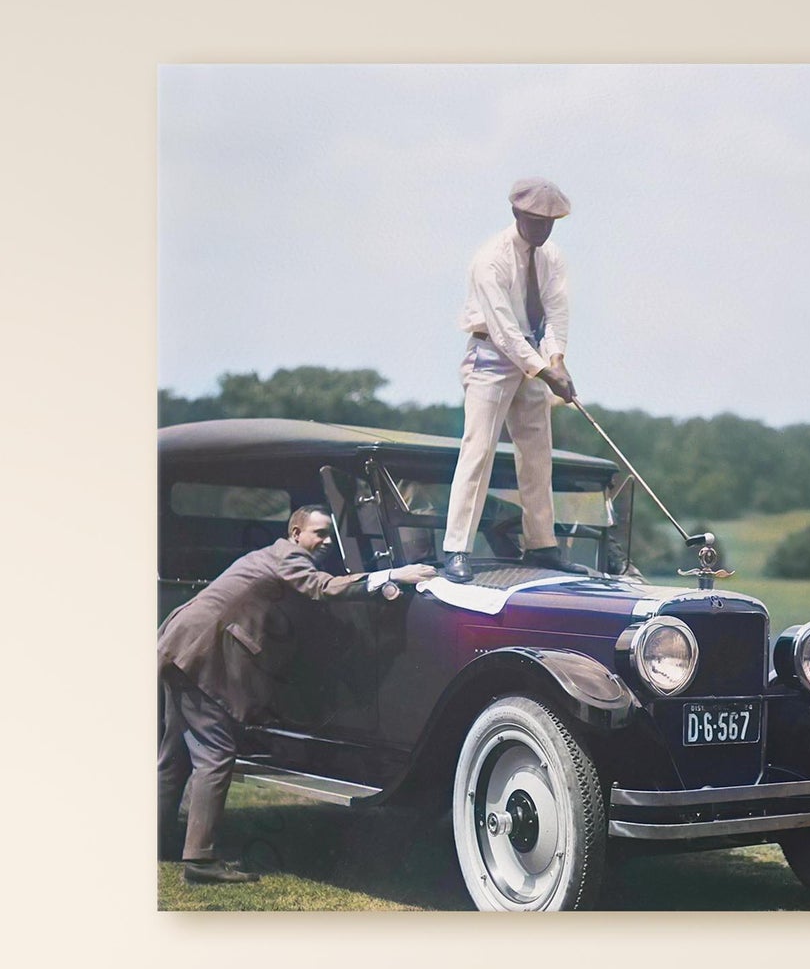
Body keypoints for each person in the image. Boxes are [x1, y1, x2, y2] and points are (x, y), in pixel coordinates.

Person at [157, 506, 435, 884]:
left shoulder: (272, 556)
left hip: (182, 645)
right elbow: (319, 587)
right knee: (216, 753)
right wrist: (391, 575)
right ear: (295, 533)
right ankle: (200, 862)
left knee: (173, 757)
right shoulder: (288, 556)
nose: (324, 541)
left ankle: (159, 842)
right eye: (317, 533)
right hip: (201, 652)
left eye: (327, 534)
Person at [441, 177, 585, 583]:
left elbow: (556, 314)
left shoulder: (552, 256)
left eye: (551, 222)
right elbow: (503, 330)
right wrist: (544, 371)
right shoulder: (491, 259)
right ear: (518, 215)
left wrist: (557, 359)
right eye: (537, 221)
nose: (544, 229)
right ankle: (456, 548)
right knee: (479, 449)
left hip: (535, 355)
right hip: (491, 357)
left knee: (538, 453)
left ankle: (541, 545)